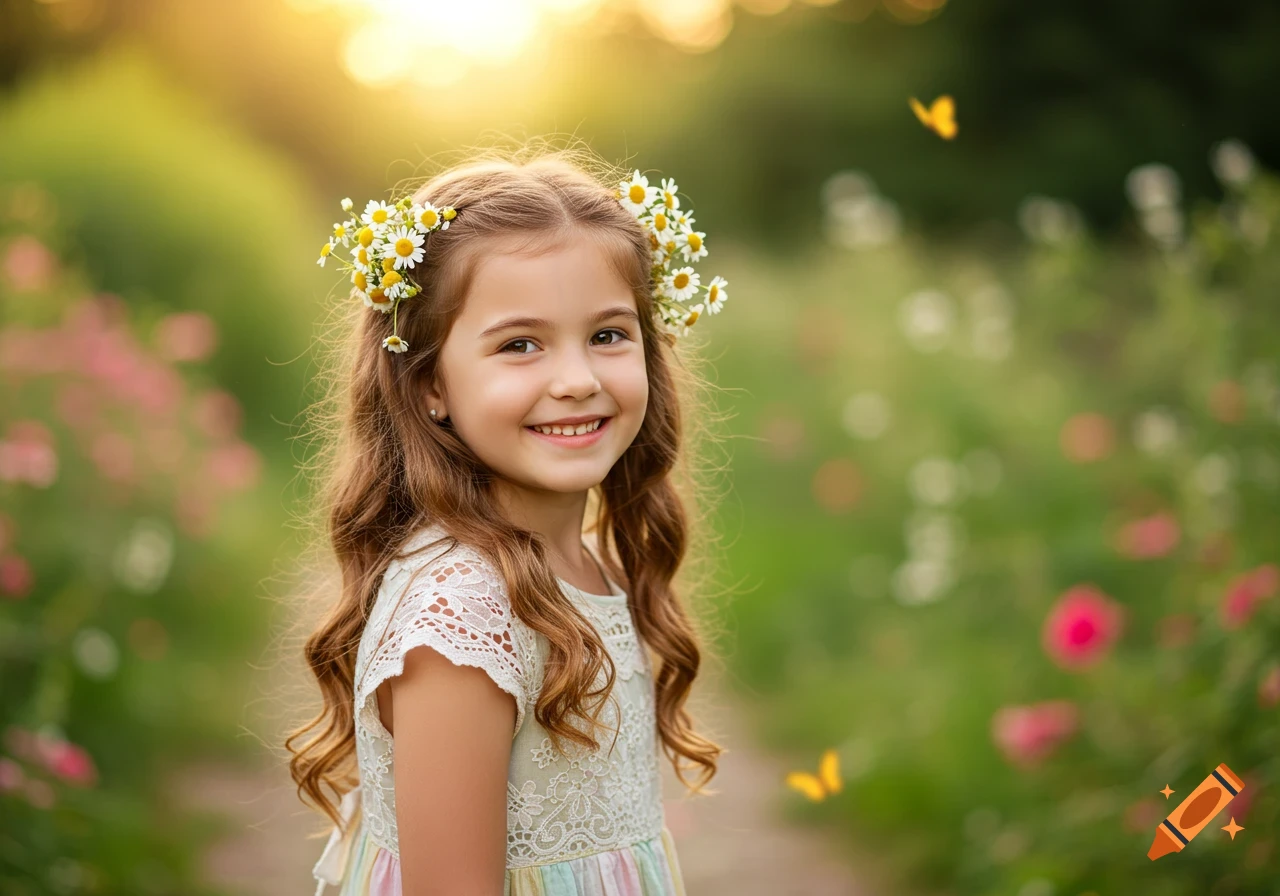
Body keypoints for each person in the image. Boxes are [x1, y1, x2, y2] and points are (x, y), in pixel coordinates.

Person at [285, 143, 730, 895]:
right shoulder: (462, 627)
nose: (577, 380)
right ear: (430, 384)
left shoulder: (582, 560)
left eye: (609, 334)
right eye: (520, 345)